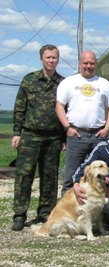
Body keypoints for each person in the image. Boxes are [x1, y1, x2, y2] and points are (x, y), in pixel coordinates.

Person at [11, 45, 65, 231]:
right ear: (41, 59)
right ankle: (19, 214)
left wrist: (64, 137)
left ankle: (45, 212)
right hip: (30, 135)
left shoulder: (63, 83)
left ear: (58, 60)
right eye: (48, 57)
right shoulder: (29, 80)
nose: (51, 61)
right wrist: (17, 132)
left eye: (54, 58)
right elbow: (20, 107)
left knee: (49, 177)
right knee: (24, 175)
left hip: (53, 137)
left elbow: (67, 111)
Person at [56, 50, 109, 194]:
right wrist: (67, 128)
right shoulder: (69, 82)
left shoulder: (104, 84)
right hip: (76, 135)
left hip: (98, 136)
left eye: (91, 63)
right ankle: (69, 210)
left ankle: (96, 209)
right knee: (71, 176)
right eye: (85, 63)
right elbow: (59, 106)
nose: (88, 66)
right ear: (79, 64)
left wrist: (107, 129)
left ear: (96, 64)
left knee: (100, 176)